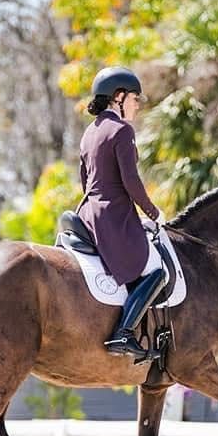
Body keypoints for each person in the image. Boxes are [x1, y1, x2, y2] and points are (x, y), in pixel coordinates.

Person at [76, 66, 168, 358]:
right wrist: (153, 213)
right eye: (134, 98)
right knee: (158, 269)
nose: (138, 104)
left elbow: (84, 180)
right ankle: (124, 333)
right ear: (118, 97)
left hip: (88, 213)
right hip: (113, 217)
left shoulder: (89, 133)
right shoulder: (121, 130)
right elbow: (131, 181)